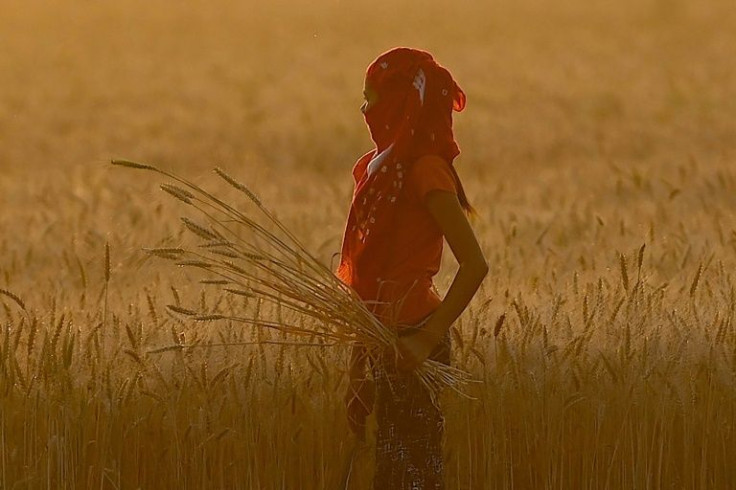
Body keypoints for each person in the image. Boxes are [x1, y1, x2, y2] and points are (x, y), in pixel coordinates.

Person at [337, 47, 488, 489]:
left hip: (415, 343)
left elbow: (475, 265)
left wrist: (425, 338)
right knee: (389, 472)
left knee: (413, 474)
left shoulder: (426, 172)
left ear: (401, 102)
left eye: (373, 97)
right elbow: (367, 284)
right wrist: (357, 374)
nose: (365, 109)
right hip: (381, 342)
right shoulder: (375, 170)